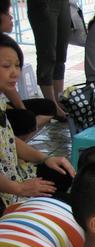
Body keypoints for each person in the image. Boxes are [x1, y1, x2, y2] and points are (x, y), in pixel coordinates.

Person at [0, 35, 75, 210]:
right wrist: (21, 188)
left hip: (14, 176)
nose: (15, 73)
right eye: (6, 66)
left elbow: (10, 140)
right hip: (7, 191)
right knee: (66, 206)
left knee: (63, 173)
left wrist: (46, 159)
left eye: (17, 65)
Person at [0, 4, 55, 139]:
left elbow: (8, 87)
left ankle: (11, 145)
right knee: (26, 120)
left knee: (47, 107)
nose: (11, 17)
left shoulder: (7, 45)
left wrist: (22, 111)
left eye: (17, 65)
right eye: (7, 13)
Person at [26, 0, 69, 119]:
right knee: (47, 55)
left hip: (63, 3)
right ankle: (51, 105)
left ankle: (59, 100)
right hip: (43, 4)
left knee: (61, 54)